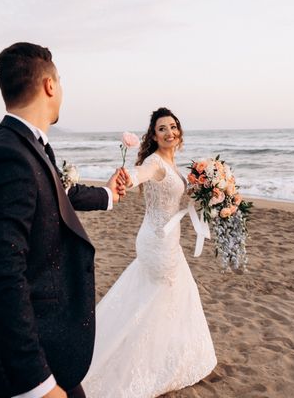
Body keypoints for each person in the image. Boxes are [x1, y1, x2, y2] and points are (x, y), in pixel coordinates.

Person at [0, 42, 126, 398]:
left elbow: (59, 196)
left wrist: (108, 194)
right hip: (18, 362)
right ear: (49, 86)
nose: (62, 90)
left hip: (42, 343)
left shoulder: (28, 146)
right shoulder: (7, 156)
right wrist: (38, 384)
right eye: (60, 81)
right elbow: (1, 275)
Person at [82, 107, 217, 398]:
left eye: (173, 127)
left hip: (167, 239)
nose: (169, 132)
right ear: (153, 136)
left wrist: (212, 192)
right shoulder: (155, 163)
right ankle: (146, 364)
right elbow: (139, 174)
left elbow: (177, 196)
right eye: (162, 129)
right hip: (157, 241)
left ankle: (162, 357)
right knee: (159, 297)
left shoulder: (175, 164)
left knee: (160, 297)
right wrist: (125, 178)